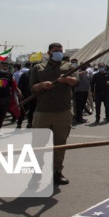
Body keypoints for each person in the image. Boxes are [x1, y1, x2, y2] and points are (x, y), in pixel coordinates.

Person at [30, 43, 78, 186]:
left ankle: (57, 171)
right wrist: (42, 85)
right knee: (38, 144)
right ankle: (36, 174)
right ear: (49, 52)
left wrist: (66, 79)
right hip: (43, 111)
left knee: (60, 144)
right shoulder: (38, 68)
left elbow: (76, 81)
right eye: (56, 51)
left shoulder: (68, 67)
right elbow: (32, 88)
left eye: (60, 51)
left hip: (62, 111)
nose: (59, 53)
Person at [17, 62, 35, 128]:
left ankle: (30, 123)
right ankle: (19, 123)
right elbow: (19, 85)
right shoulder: (25, 75)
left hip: (34, 96)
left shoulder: (38, 75)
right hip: (25, 96)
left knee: (32, 111)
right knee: (23, 110)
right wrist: (20, 93)